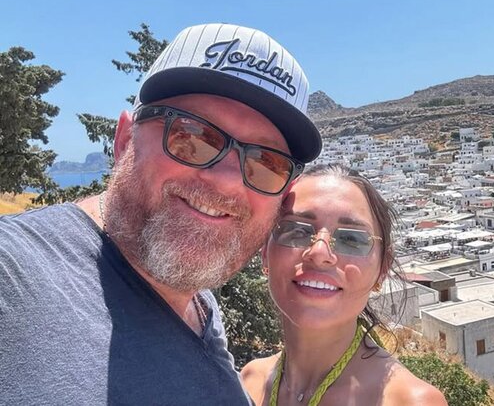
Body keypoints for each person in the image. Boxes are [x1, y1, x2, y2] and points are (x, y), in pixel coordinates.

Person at [0, 23, 321, 404]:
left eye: (267, 163)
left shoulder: (200, 309)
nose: (228, 181)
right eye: (192, 136)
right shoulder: (13, 272)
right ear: (124, 140)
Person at [242, 164, 447, 406]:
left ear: (382, 268)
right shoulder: (248, 382)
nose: (319, 252)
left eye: (351, 239)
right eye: (296, 230)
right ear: (265, 252)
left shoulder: (409, 401)